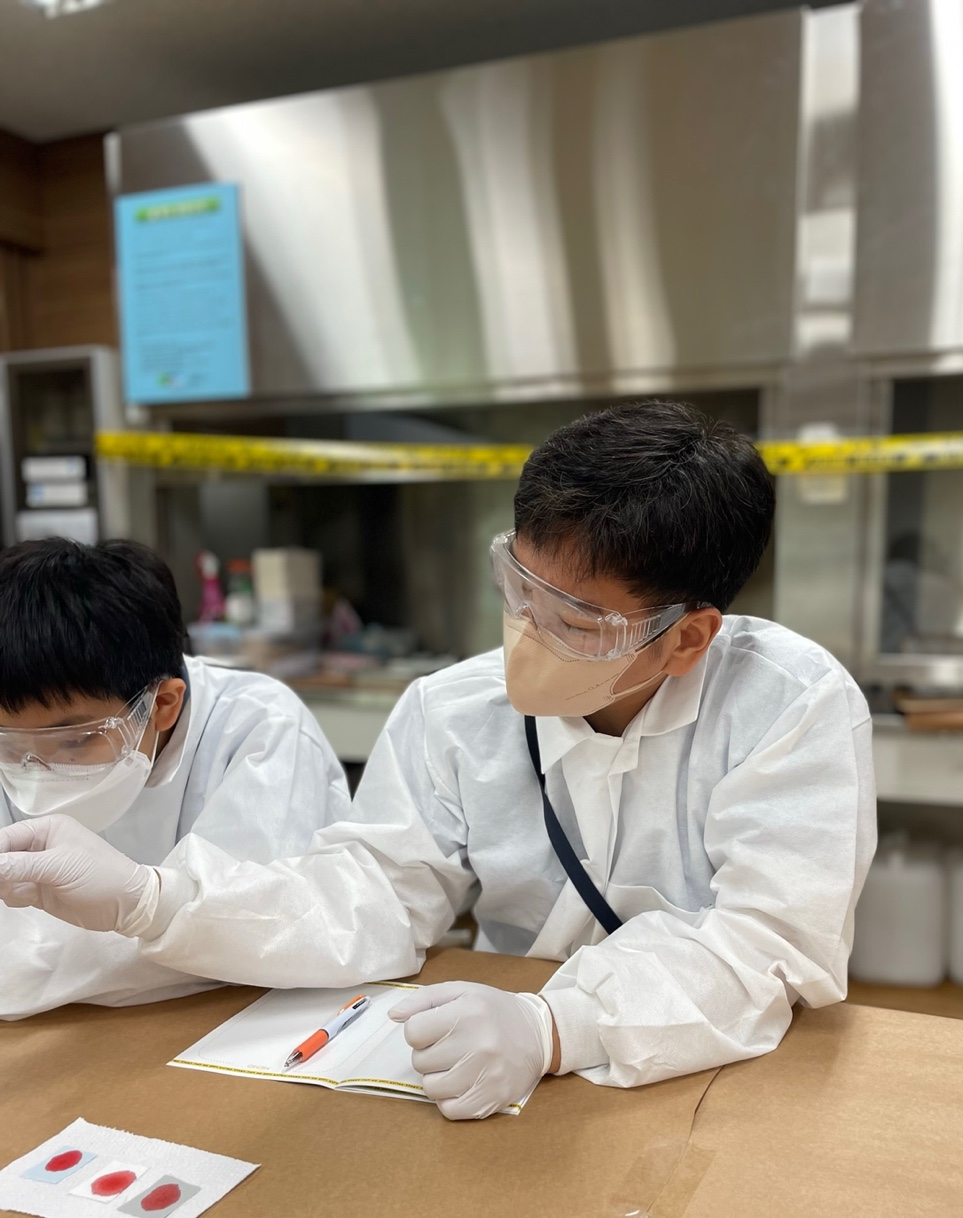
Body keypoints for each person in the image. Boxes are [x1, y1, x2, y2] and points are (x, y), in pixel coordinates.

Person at [0, 403, 876, 1117]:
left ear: (684, 639)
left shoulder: (787, 705)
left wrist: (557, 1026)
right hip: (498, 1070)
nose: (527, 633)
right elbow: (371, 897)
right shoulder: (451, 711)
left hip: (714, 1065)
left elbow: (769, 942)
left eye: (575, 622)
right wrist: (152, 900)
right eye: (519, 588)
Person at [0, 537, 350, 1018]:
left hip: (223, 1024)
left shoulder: (258, 729)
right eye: (12, 745)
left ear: (163, 704)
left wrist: (145, 910)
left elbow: (258, 936)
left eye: (75, 740)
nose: (37, 771)